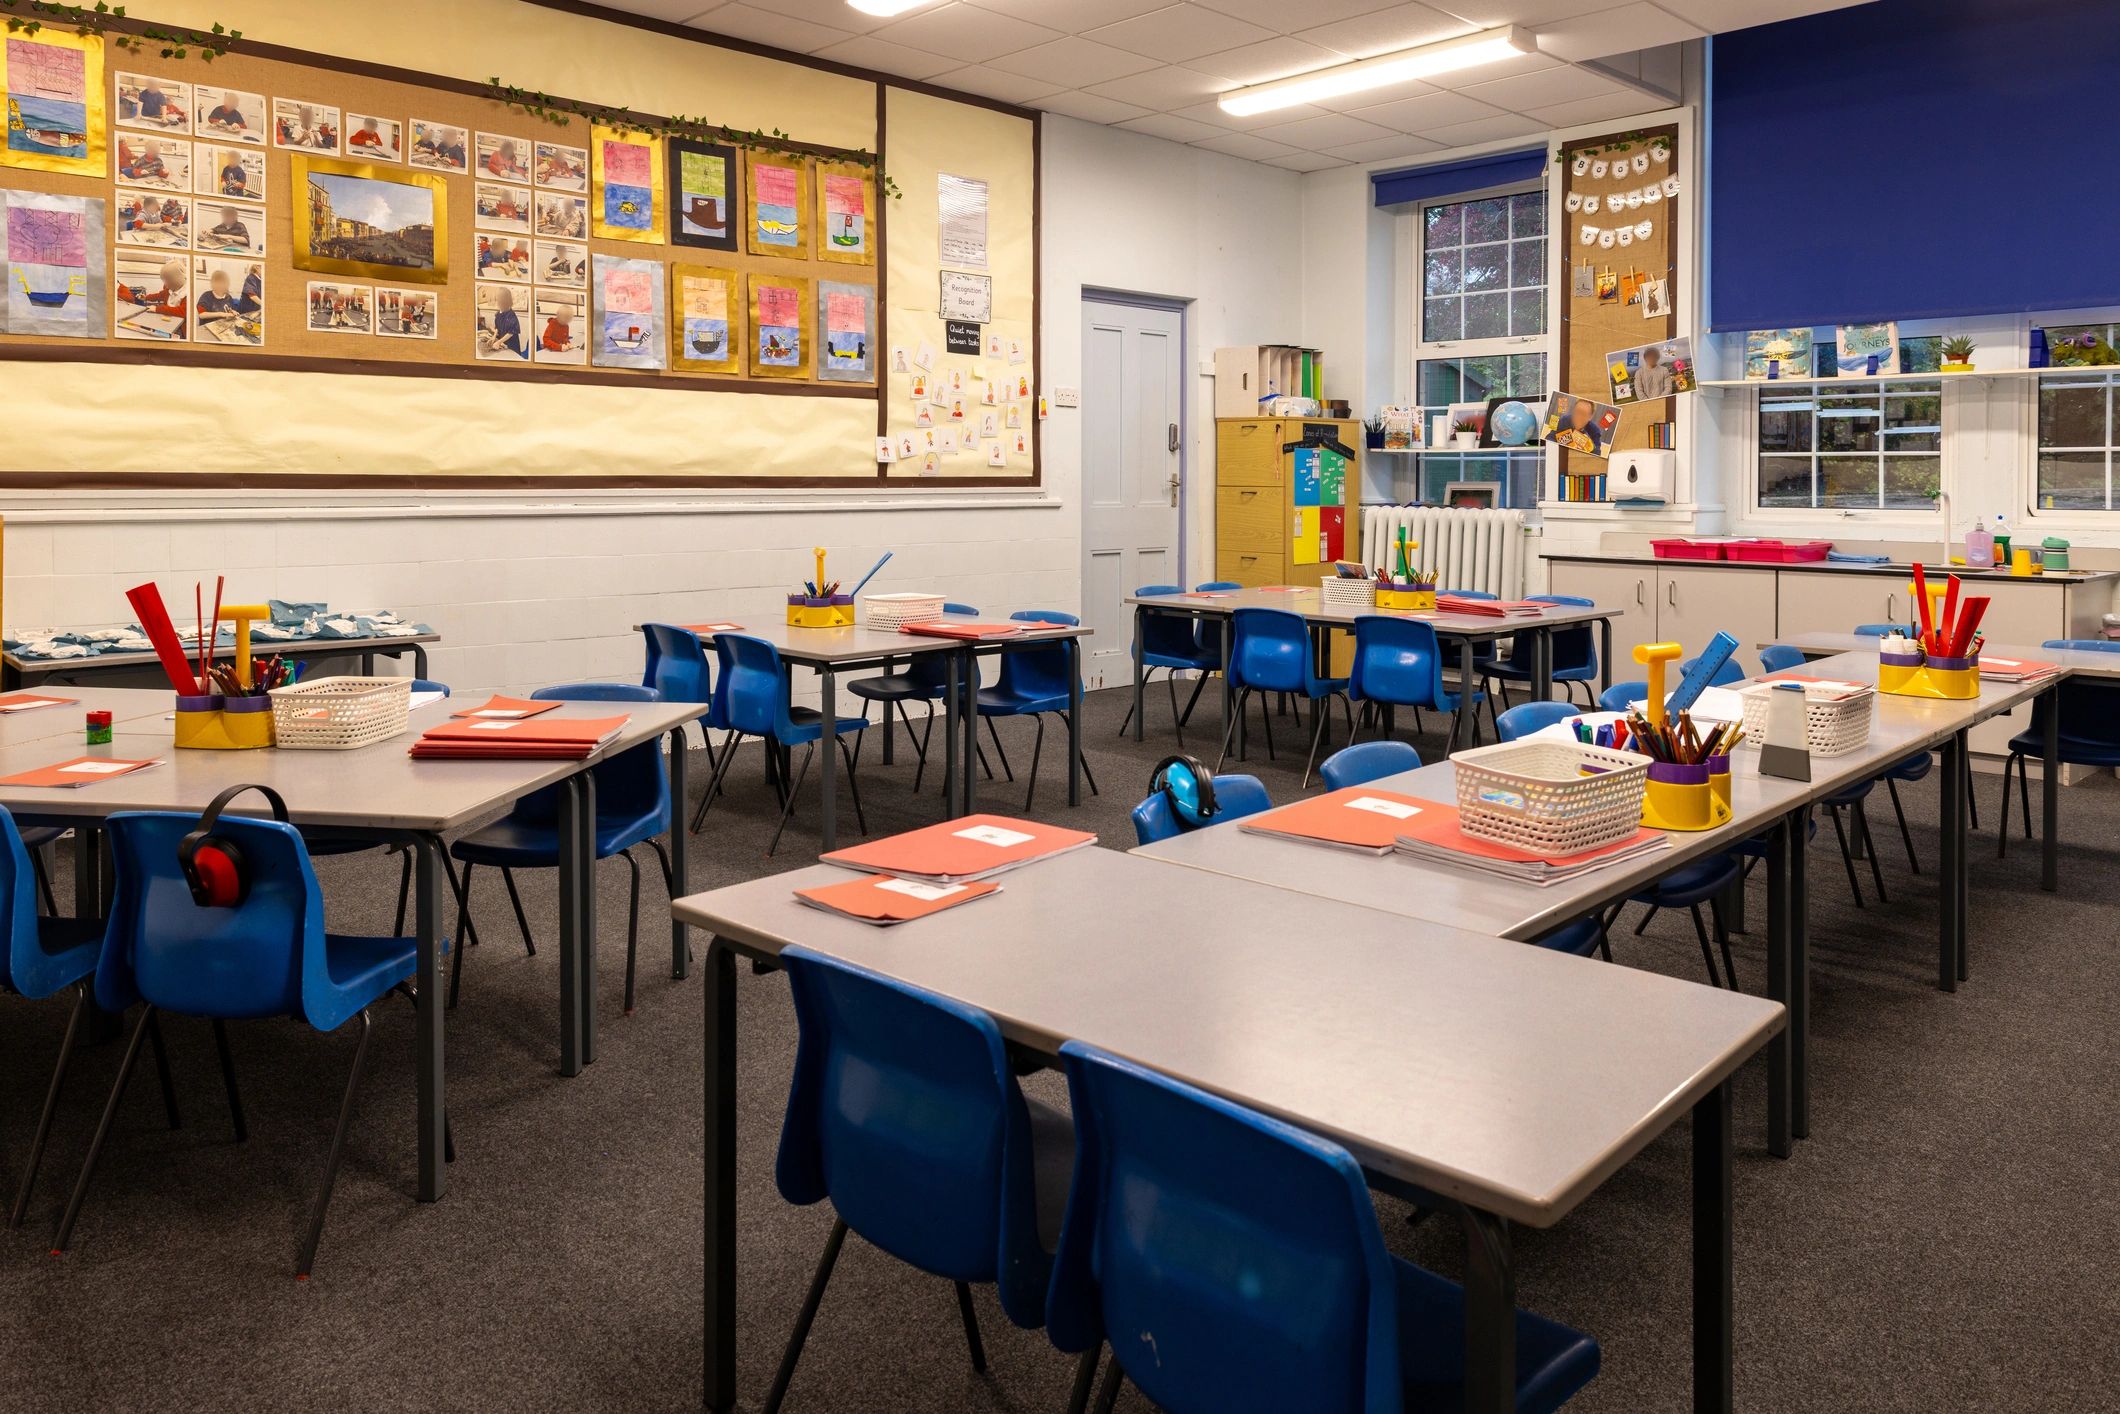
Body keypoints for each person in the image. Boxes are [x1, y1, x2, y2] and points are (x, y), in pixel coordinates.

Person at [483, 287, 525, 358]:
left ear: (505, 301)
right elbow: (497, 327)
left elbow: (511, 333)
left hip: (512, 344)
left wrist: (499, 342)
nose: (497, 303)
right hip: (503, 342)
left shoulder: (512, 315)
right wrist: (493, 337)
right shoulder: (498, 314)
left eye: (499, 301)